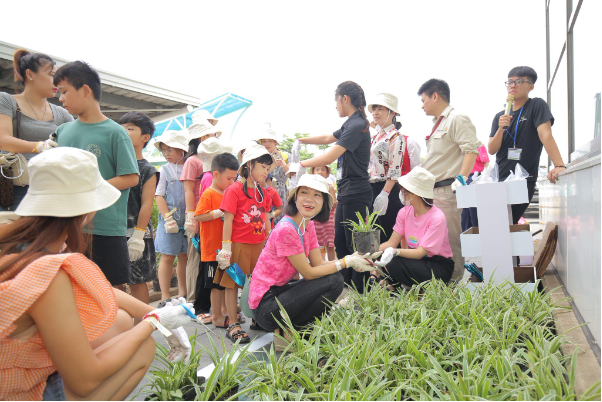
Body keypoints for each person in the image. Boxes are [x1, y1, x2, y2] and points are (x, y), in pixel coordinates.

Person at [0, 147, 192, 401]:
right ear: (87, 210)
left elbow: (101, 289)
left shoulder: (22, 240)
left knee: (122, 321)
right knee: (141, 346)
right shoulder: (47, 271)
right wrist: (153, 323)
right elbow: (85, 381)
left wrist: (151, 312)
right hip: (19, 393)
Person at [250, 174, 377, 351]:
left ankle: (291, 331)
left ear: (324, 202)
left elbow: (317, 263)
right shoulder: (287, 229)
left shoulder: (306, 224)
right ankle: (294, 330)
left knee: (334, 277)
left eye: (317, 195)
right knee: (334, 280)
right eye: (304, 193)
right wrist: (346, 262)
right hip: (266, 307)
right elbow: (309, 273)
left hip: (279, 295)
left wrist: (350, 259)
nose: (310, 199)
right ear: (295, 197)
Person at [54, 61, 139, 289]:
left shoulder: (115, 132)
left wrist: (91, 188)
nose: (60, 99)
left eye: (64, 92)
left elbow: (131, 177)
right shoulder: (62, 132)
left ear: (85, 90)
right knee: (73, 291)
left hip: (105, 227)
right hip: (68, 226)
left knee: (112, 291)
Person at [294, 81, 373, 294]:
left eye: (336, 101)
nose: (335, 106)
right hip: (346, 191)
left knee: (357, 245)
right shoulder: (350, 123)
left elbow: (330, 155)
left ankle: (361, 292)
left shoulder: (358, 125)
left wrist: (299, 164)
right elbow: (327, 138)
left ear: (344, 99)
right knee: (341, 242)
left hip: (358, 192)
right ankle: (345, 289)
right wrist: (301, 140)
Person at [418, 79, 481, 282]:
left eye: (424, 100)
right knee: (435, 241)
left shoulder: (457, 119)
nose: (422, 105)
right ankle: (440, 283)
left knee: (451, 240)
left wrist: (460, 179)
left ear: (435, 96)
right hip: (432, 191)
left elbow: (470, 150)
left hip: (447, 190)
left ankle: (453, 285)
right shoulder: (438, 123)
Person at [488, 66, 565, 224]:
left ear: (531, 86)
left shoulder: (536, 105)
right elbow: (491, 149)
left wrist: (559, 165)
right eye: (510, 82)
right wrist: (501, 129)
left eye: (519, 81)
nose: (513, 85)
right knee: (497, 225)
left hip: (524, 179)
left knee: (507, 222)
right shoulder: (499, 116)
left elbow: (545, 134)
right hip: (499, 179)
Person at [216, 143, 275, 344]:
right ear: (249, 165)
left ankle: (257, 318)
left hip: (259, 244)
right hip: (238, 244)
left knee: (259, 282)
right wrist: (226, 247)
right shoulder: (234, 190)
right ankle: (233, 323)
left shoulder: (264, 192)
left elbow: (266, 218)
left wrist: (270, 240)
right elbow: (229, 219)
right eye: (263, 167)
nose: (266, 172)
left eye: (268, 168)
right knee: (232, 283)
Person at [0, 49, 73, 210]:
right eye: (52, 75)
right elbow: (3, 140)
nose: (57, 82)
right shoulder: (7, 100)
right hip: (13, 189)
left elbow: (78, 140)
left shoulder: (61, 112)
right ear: (30, 74)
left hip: (49, 189)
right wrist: (39, 146)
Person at [375, 167, 455, 289]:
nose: (401, 194)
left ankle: (421, 289)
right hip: (418, 262)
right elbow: (391, 242)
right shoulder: (404, 212)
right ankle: (397, 286)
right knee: (383, 256)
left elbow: (420, 253)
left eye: (404, 191)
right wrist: (369, 252)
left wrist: (395, 251)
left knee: (393, 260)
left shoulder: (436, 217)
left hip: (438, 265)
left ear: (414, 193)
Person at [368, 93, 422, 243]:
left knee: (388, 233)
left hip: (388, 188)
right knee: (375, 234)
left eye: (380, 109)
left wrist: (385, 193)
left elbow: (394, 167)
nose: (375, 113)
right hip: (373, 187)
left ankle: (391, 266)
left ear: (392, 113)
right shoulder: (374, 137)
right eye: (374, 109)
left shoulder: (395, 136)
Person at [194, 153, 240, 328]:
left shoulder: (229, 192)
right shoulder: (209, 193)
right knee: (215, 284)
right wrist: (217, 213)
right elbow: (198, 216)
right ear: (216, 174)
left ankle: (225, 312)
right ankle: (217, 317)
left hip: (225, 247)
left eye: (234, 178)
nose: (231, 182)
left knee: (224, 282)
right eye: (229, 178)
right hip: (212, 248)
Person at [182, 120, 222, 305]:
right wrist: (191, 218)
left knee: (207, 259)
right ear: (203, 137)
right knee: (195, 257)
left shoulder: (214, 161)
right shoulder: (193, 160)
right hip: (198, 215)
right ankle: (192, 299)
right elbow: (189, 190)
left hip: (211, 216)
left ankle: (206, 299)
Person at [120, 112, 158, 305]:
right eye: (123, 127)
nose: (124, 131)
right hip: (113, 231)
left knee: (138, 283)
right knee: (113, 282)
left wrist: (138, 235)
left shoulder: (147, 169)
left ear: (145, 138)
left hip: (136, 234)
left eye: (130, 128)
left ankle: (142, 329)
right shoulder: (113, 164)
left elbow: (147, 204)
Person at [154, 130, 190, 307]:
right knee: (167, 256)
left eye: (170, 149)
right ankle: (164, 296)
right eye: (164, 150)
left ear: (182, 150)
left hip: (187, 219)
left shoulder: (190, 167)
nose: (166, 153)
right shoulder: (164, 170)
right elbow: (159, 195)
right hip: (169, 221)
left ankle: (183, 293)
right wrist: (168, 218)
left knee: (185, 256)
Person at [254, 123, 289, 225]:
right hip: (261, 190)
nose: (267, 143)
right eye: (264, 141)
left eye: (270, 141)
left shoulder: (285, 155)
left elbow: (291, 174)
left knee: (279, 219)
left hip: (279, 191)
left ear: (275, 142)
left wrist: (284, 164)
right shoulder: (257, 156)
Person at [308, 166, 337, 261]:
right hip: (316, 220)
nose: (320, 172)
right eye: (317, 169)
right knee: (317, 244)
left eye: (323, 169)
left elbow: (334, 203)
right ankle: (321, 265)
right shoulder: (311, 187)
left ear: (327, 172)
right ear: (312, 172)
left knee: (330, 244)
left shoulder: (330, 186)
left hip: (328, 220)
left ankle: (333, 267)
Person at [461, 144, 490, 231]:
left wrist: (486, 178)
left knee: (473, 209)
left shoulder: (479, 145)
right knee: (465, 210)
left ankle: (476, 230)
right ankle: (467, 231)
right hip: (462, 177)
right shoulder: (459, 146)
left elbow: (486, 163)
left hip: (474, 177)